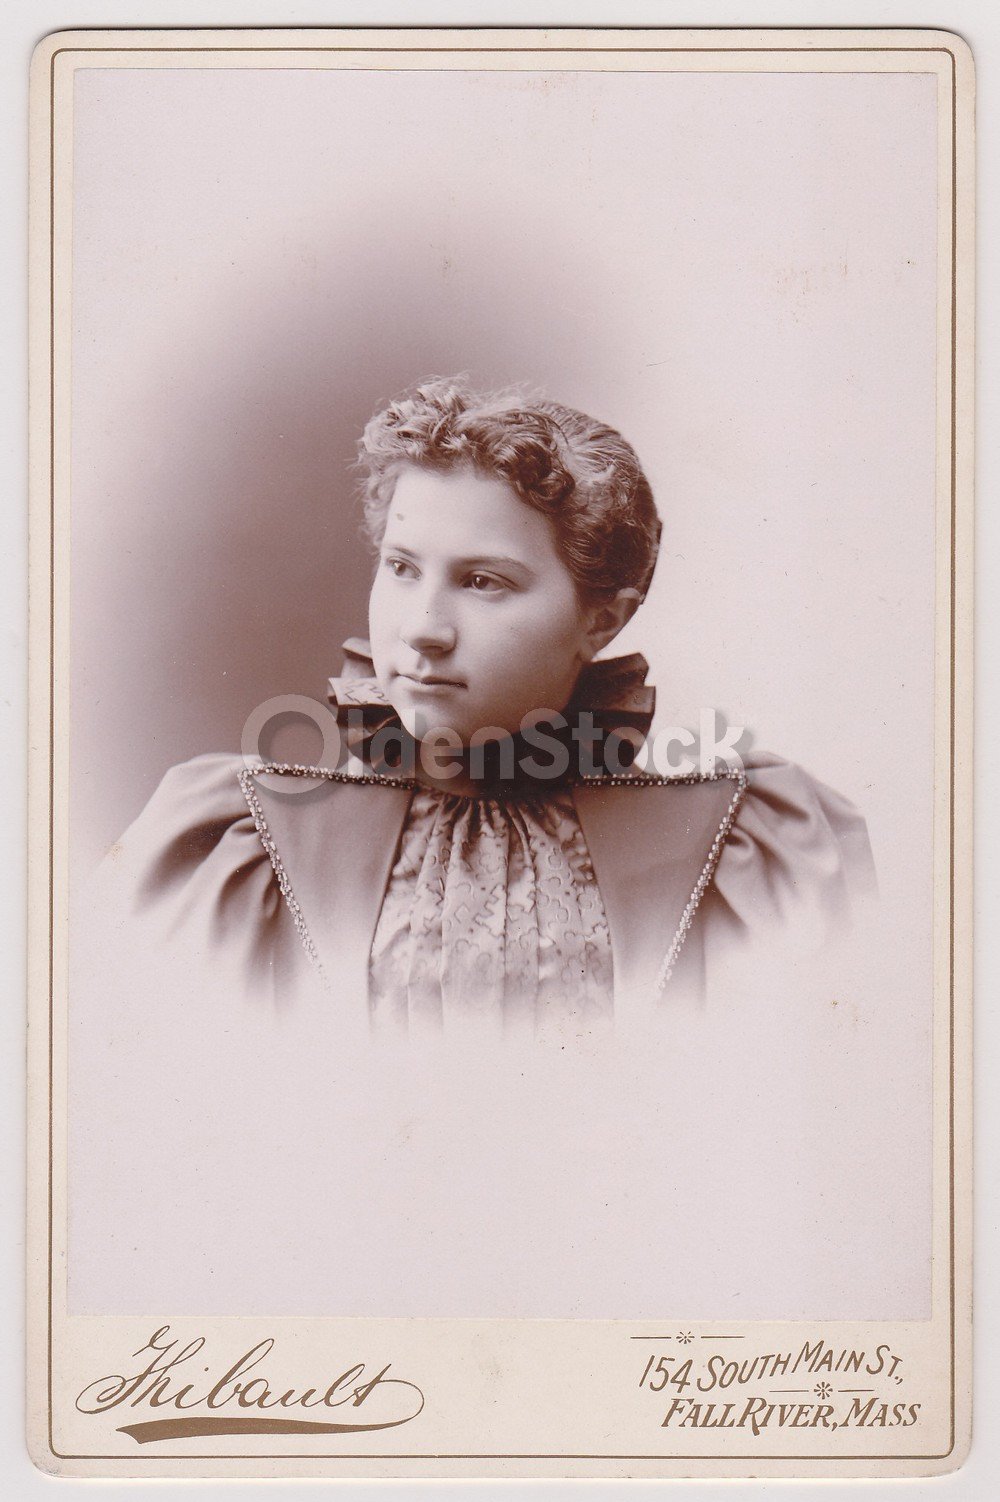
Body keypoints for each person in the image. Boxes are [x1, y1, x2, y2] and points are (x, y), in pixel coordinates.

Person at [97, 377, 875, 1035]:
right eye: (402, 569)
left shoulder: (751, 846)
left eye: (483, 582)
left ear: (602, 619)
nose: (424, 630)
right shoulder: (235, 841)